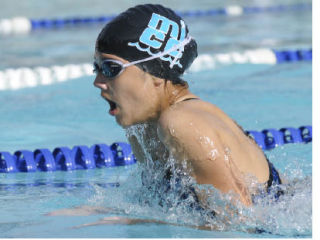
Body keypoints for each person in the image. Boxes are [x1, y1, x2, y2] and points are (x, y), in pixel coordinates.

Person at [48, 4, 283, 229]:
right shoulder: (142, 126)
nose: (98, 81)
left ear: (156, 72)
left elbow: (240, 224)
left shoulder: (183, 123)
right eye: (96, 68)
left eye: (110, 69)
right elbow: (152, 204)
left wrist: (135, 222)